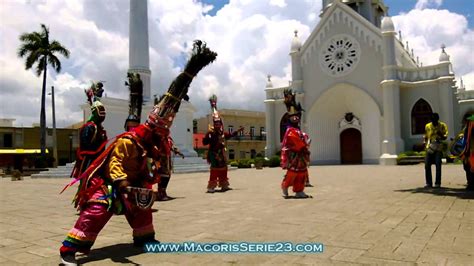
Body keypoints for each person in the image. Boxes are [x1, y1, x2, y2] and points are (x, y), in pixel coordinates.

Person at [59, 40, 217, 265]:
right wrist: (122, 182)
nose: (161, 138)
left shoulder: (150, 144)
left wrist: (147, 180)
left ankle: (144, 238)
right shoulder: (129, 142)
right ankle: (70, 248)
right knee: (98, 209)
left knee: (143, 206)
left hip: (133, 183)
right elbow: (115, 165)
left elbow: (147, 166)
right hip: (110, 183)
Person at [203, 95, 243, 193]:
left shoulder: (222, 133)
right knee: (215, 169)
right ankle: (211, 187)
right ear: (214, 124)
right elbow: (204, 143)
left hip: (221, 153)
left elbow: (229, 135)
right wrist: (207, 137)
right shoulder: (211, 133)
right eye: (216, 123)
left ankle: (224, 185)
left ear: (220, 124)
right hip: (213, 153)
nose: (217, 125)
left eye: (219, 123)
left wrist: (238, 131)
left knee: (224, 169)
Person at [70, 82, 107, 181]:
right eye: (100, 112)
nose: (103, 115)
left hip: (100, 160)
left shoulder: (100, 129)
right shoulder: (89, 127)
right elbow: (85, 146)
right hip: (90, 161)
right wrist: (96, 153)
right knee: (88, 182)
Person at [280, 89, 311, 198]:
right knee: (292, 172)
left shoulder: (298, 130)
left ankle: (299, 190)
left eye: (297, 116)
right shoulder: (290, 130)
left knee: (302, 173)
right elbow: (294, 140)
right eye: (293, 116)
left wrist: (305, 141)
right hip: (294, 155)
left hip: (301, 155)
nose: (296, 118)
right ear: (289, 117)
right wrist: (304, 143)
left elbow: (303, 138)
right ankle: (285, 186)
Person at [155, 135, 184, 201]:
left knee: (167, 176)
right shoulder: (158, 137)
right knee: (162, 176)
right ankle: (160, 193)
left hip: (167, 159)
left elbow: (172, 147)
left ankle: (163, 192)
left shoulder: (168, 138)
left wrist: (178, 152)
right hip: (160, 159)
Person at [423, 113, 448, 188]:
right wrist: (425, 143)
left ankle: (437, 183)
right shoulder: (428, 126)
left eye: (435, 121)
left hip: (438, 147)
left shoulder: (443, 125)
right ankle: (428, 183)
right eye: (433, 121)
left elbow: (445, 137)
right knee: (427, 165)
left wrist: (440, 134)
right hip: (430, 147)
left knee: (438, 165)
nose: (434, 122)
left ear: (438, 119)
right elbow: (426, 136)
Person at [461, 114, 474, 190]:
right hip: (468, 150)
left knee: (470, 167)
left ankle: (471, 183)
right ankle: (470, 182)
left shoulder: (470, 128)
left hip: (471, 151)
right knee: (467, 167)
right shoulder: (467, 128)